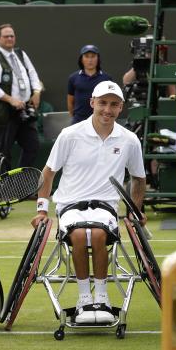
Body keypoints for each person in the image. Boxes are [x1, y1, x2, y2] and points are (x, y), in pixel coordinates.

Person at [32, 81, 146, 325]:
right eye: (103, 103)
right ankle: (85, 298)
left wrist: (135, 211)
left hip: (105, 208)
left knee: (96, 234)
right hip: (70, 205)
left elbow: (139, 179)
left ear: (121, 108)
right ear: (92, 102)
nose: (107, 109)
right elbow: (49, 173)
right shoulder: (70, 135)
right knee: (79, 233)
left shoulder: (129, 139)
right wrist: (42, 210)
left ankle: (102, 297)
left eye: (113, 105)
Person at [0, 23, 42, 168]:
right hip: (4, 113)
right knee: (4, 152)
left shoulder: (20, 54)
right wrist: (10, 100)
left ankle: (20, 181)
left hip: (24, 111)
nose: (9, 39)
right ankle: (5, 186)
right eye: (6, 36)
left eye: (12, 36)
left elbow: (33, 74)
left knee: (32, 145)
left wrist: (37, 91)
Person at [67, 44, 112, 124]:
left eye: (93, 56)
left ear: (98, 59)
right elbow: (70, 101)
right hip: (79, 121)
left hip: (101, 121)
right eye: (87, 56)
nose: (90, 60)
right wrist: (73, 116)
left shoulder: (107, 78)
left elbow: (111, 100)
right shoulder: (73, 78)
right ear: (81, 59)